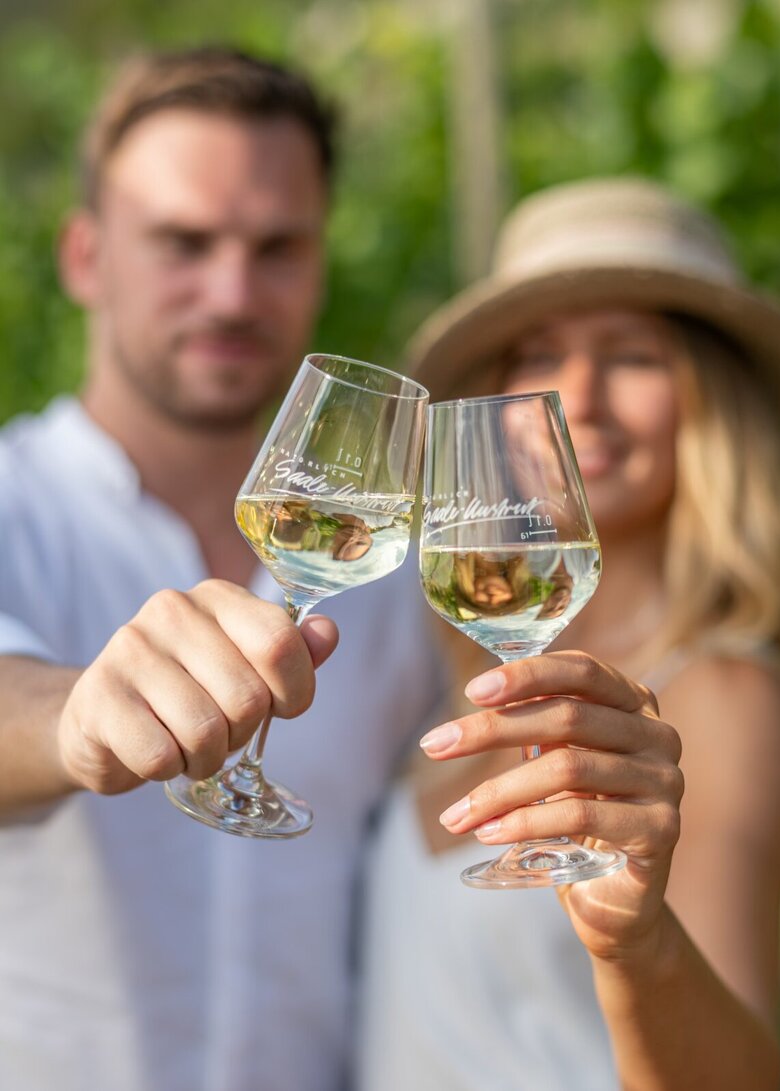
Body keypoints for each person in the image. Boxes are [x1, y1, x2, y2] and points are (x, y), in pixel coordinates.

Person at [0, 47, 439, 1090]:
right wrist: (76, 715)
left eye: (279, 246)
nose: (234, 291)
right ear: (86, 257)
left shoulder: (392, 578)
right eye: (183, 242)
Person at [356, 178, 780, 1089]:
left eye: (633, 356)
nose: (581, 395)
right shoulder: (449, 654)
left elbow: (739, 1076)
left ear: (710, 403)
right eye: (543, 353)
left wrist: (637, 941)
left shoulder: (725, 692)